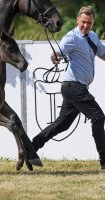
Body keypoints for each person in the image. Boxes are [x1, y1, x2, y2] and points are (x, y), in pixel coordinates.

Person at [32, 6, 105, 169]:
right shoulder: (71, 37)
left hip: (77, 88)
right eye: (83, 22)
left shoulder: (92, 36)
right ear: (78, 20)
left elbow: (103, 54)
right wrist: (55, 57)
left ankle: (31, 147)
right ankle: (104, 160)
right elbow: (57, 53)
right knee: (98, 117)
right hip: (73, 86)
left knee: (62, 124)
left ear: (92, 22)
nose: (86, 26)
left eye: (89, 23)